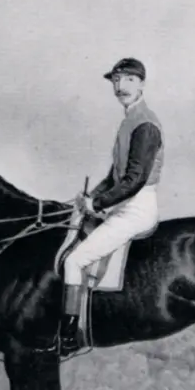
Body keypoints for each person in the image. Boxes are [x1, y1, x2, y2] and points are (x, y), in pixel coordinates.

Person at [59, 57, 165, 354]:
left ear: (142, 83)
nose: (121, 86)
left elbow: (133, 180)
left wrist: (99, 203)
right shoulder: (129, 120)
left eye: (129, 79)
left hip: (137, 209)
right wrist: (88, 199)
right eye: (116, 80)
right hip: (123, 204)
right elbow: (114, 175)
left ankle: (69, 336)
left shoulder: (145, 124)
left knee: (73, 261)